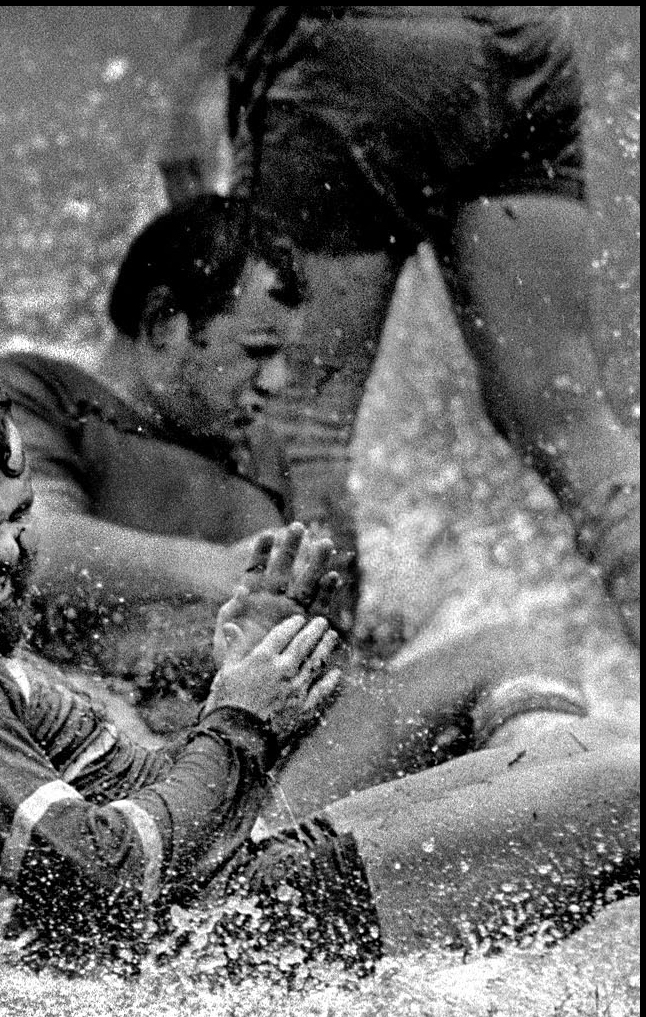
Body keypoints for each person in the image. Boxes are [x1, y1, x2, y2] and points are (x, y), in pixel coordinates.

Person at [0, 357, 638, 969]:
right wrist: (240, 720)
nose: (6, 553)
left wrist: (236, 675)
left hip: (240, 869)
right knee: (626, 792)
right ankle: (518, 936)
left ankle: (525, 906)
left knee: (581, 763)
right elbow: (105, 885)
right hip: (244, 931)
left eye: (16, 514)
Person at [0, 194, 611, 818]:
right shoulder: (36, 391)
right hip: (169, 786)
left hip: (272, 762)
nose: (276, 382)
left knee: (516, 666)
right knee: (516, 657)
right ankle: (572, 813)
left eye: (284, 357)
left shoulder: (257, 450)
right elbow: (31, 548)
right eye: (256, 351)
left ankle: (558, 820)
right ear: (166, 322)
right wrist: (217, 572)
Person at [159, 6, 640, 646]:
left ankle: (305, 691)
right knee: (569, 420)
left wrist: (190, 94)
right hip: (523, 42)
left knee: (306, 419)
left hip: (352, 49)